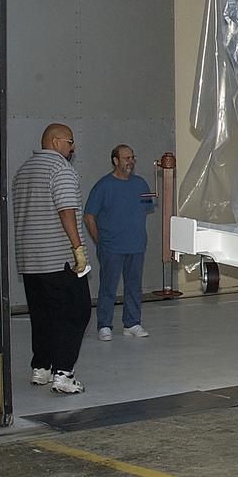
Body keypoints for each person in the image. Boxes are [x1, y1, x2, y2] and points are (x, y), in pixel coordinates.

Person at [12, 123, 93, 394]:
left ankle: (42, 367)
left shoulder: (23, 171)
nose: (73, 147)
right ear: (56, 141)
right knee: (76, 312)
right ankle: (63, 373)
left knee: (42, 315)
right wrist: (78, 249)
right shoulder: (61, 169)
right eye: (70, 141)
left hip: (30, 261)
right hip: (58, 259)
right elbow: (66, 211)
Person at [84, 144, 155, 340]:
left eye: (132, 157)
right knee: (108, 286)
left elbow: (148, 209)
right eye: (126, 158)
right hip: (111, 247)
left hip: (136, 245)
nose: (130, 161)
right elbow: (89, 216)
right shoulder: (103, 186)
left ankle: (132, 323)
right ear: (115, 161)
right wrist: (100, 241)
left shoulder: (141, 184)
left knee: (134, 285)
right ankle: (104, 325)